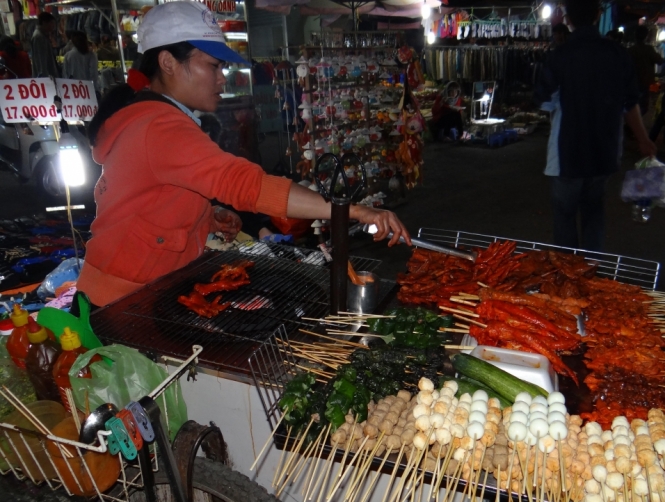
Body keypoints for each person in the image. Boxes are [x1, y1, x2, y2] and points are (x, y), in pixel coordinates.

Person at [75, 2, 410, 309]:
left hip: (131, 288)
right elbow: (246, 185)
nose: (222, 79)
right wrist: (350, 210)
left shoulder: (152, 116)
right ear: (168, 63)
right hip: (121, 301)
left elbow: (148, 196)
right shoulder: (160, 126)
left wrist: (203, 215)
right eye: (213, 66)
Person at [537, 0, 657, 252]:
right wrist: (644, 140)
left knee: (564, 218)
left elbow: (544, 101)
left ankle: (568, 278)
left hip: (566, 153)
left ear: (567, 19)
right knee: (594, 214)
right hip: (604, 151)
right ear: (598, 15)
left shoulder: (559, 56)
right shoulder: (617, 54)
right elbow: (630, 103)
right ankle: (592, 275)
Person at [628, 25, 663, 116]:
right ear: (646, 36)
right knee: (642, 106)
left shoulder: (630, 50)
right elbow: (659, 60)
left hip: (632, 81)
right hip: (644, 82)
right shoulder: (649, 49)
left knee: (632, 104)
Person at [30, 11, 59, 78]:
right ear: (44, 23)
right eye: (51, 23)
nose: (53, 26)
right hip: (46, 78)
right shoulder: (38, 37)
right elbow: (40, 60)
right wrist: (44, 78)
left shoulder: (43, 35)